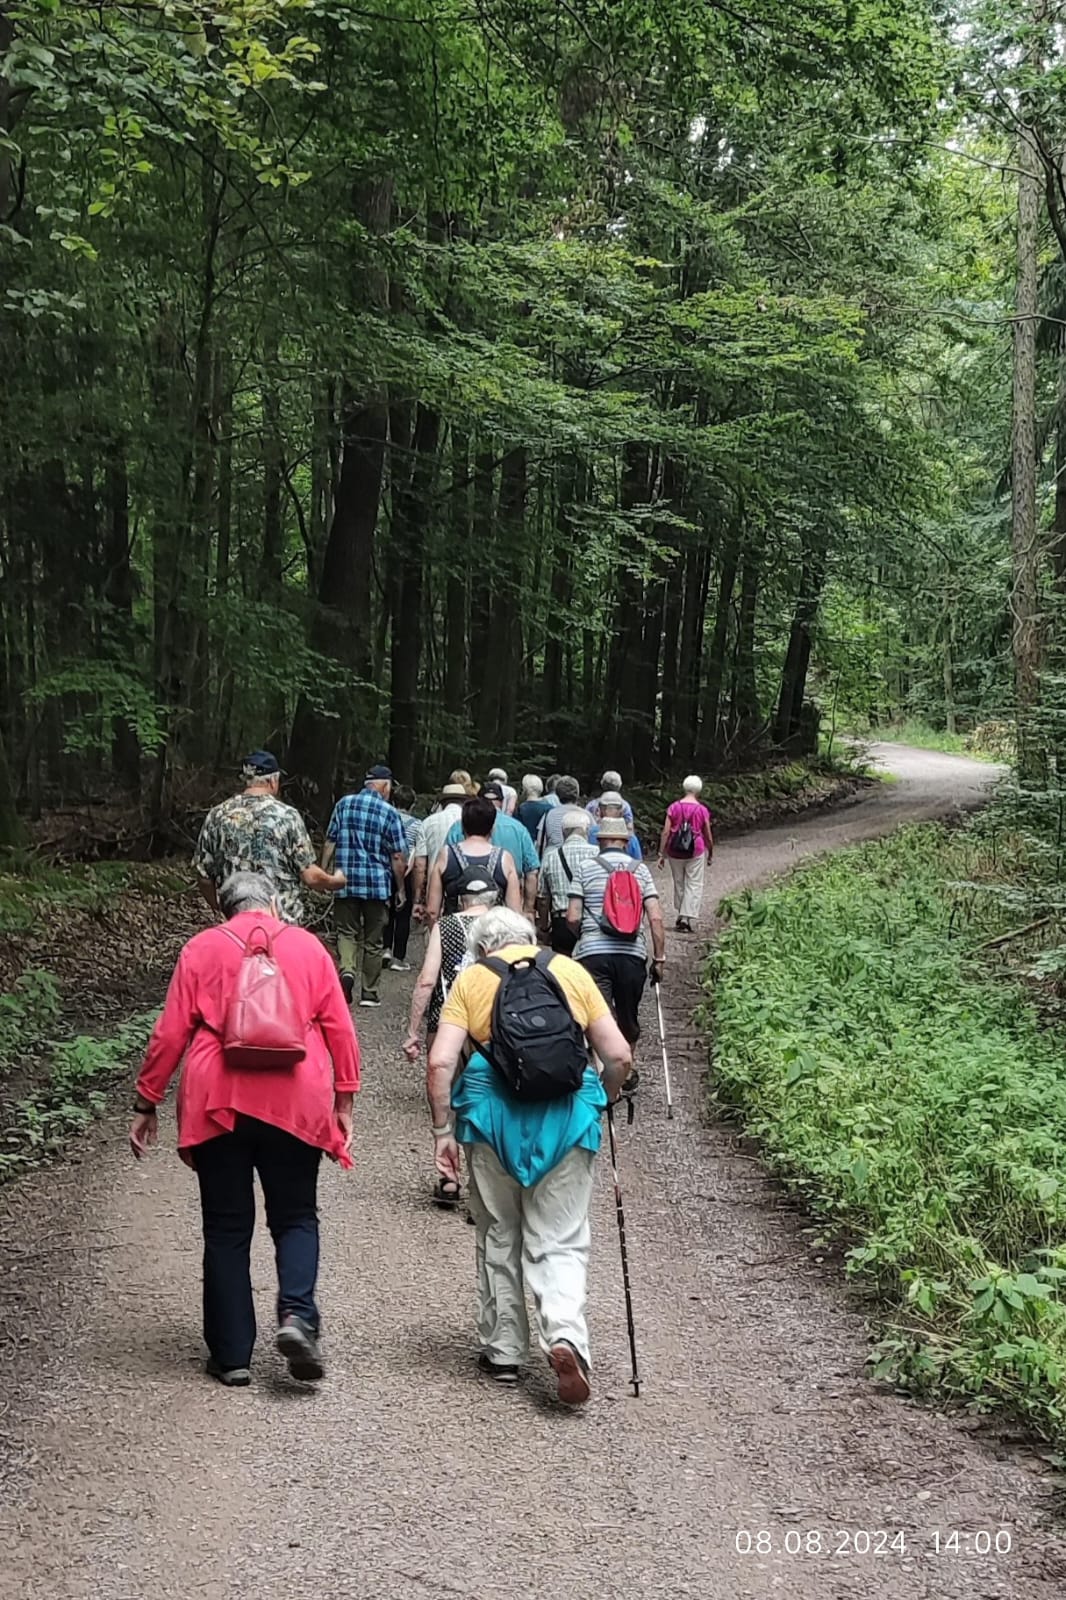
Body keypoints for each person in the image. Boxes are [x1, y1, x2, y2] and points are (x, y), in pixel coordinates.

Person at [128, 871, 360, 1388]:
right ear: (274, 904)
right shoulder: (307, 947)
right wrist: (344, 1098)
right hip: (296, 1098)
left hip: (219, 1101)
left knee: (227, 1228)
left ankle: (232, 1356)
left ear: (226, 909)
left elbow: (169, 1033)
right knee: (296, 1215)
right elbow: (339, 1027)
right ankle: (297, 1317)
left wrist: (147, 1101)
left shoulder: (203, 948)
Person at [427, 908, 632, 1405]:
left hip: (492, 1120)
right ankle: (564, 1336)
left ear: (481, 948)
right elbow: (619, 1055)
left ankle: (503, 1351)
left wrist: (442, 1133)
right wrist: (599, 1098)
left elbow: (439, 1061)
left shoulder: (472, 979)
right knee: (559, 1238)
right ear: (530, 937)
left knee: (500, 1230)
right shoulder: (569, 970)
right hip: (566, 1119)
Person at [402, 866, 501, 1206]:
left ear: (460, 899)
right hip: (494, 1027)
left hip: (447, 1023)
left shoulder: (445, 926)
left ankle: (448, 1177)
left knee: (444, 1097)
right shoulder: (508, 926)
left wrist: (413, 1031)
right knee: (487, 1101)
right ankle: (482, 1189)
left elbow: (427, 981)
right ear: (495, 898)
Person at [193, 750, 344, 923]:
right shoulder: (288, 817)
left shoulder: (217, 815)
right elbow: (310, 876)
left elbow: (204, 877)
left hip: (236, 924)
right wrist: (334, 881)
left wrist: (220, 908)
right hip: (281, 925)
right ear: (273, 780)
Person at [567, 815, 665, 1079]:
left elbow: (573, 916)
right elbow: (655, 916)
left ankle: (604, 1073)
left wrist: (583, 936)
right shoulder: (640, 870)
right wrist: (659, 958)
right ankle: (625, 1069)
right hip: (632, 954)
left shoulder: (586, 868)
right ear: (625, 841)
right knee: (627, 1015)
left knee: (600, 1014)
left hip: (593, 954)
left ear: (599, 841)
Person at [326, 764, 407, 1008]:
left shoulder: (344, 804)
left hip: (345, 881)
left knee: (346, 932)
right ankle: (369, 992)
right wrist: (400, 887)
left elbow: (330, 841)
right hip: (377, 885)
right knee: (373, 940)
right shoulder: (389, 812)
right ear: (384, 786)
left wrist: (325, 875)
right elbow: (397, 857)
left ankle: (347, 970)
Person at [445, 782, 540, 914]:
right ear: (501, 802)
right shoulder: (519, 829)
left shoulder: (458, 826)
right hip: (505, 911)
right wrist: (528, 909)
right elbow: (532, 872)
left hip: (462, 909)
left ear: (478, 800)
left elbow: (444, 864)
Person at [426, 795, 521, 922]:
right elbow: (514, 912)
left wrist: (438, 935)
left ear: (463, 826)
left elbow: (432, 911)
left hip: (454, 932)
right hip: (491, 935)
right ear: (492, 828)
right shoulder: (504, 858)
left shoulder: (447, 855)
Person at [657, 774, 714, 932]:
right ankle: (686, 918)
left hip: (674, 850)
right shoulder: (702, 810)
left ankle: (681, 915)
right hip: (695, 849)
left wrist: (662, 854)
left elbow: (666, 832)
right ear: (699, 790)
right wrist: (710, 852)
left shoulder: (674, 807)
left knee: (679, 882)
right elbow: (708, 834)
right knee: (694, 883)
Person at [538, 808, 597, 953]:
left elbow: (543, 898)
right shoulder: (597, 853)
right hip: (592, 920)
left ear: (564, 832)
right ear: (586, 831)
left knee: (563, 970)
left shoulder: (550, 857)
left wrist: (544, 927)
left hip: (561, 922)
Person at [410, 781, 467, 921]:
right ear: (464, 801)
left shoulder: (428, 822)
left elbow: (419, 865)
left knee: (434, 935)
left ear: (442, 801)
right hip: (465, 889)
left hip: (435, 891)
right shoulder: (470, 820)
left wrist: (418, 900)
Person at [384, 783, 419, 972]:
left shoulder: (386, 818)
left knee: (386, 911)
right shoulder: (417, 825)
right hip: (405, 871)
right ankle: (398, 957)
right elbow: (415, 851)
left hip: (385, 869)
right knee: (403, 915)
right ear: (412, 804)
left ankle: (385, 948)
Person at [589, 790, 643, 861]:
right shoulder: (630, 838)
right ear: (621, 812)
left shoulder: (590, 833)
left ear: (599, 811)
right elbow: (638, 864)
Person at [537, 775, 582, 854]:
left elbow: (540, 843)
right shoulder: (586, 815)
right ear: (577, 793)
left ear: (557, 794)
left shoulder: (549, 815)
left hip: (553, 859)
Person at [516, 774, 552, 843]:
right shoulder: (549, 808)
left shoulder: (521, 809)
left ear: (524, 789)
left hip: (525, 844)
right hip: (543, 846)